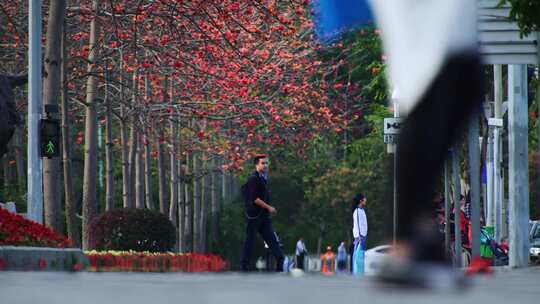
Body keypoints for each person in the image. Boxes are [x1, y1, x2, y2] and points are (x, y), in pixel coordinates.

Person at [240, 155, 284, 272]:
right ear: (256, 165)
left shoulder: (263, 178)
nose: (265, 165)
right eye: (263, 163)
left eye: (266, 163)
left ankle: (280, 260)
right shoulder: (253, 178)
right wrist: (269, 207)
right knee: (250, 241)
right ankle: (244, 265)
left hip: (264, 217)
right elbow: (255, 198)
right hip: (254, 217)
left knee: (272, 240)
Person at [352, 194, 368, 274]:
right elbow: (357, 224)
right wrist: (359, 237)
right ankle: (356, 273)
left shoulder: (362, 210)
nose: (366, 200)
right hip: (360, 237)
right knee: (357, 256)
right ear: (360, 201)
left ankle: (360, 272)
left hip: (363, 236)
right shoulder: (357, 211)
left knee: (361, 255)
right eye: (364, 198)